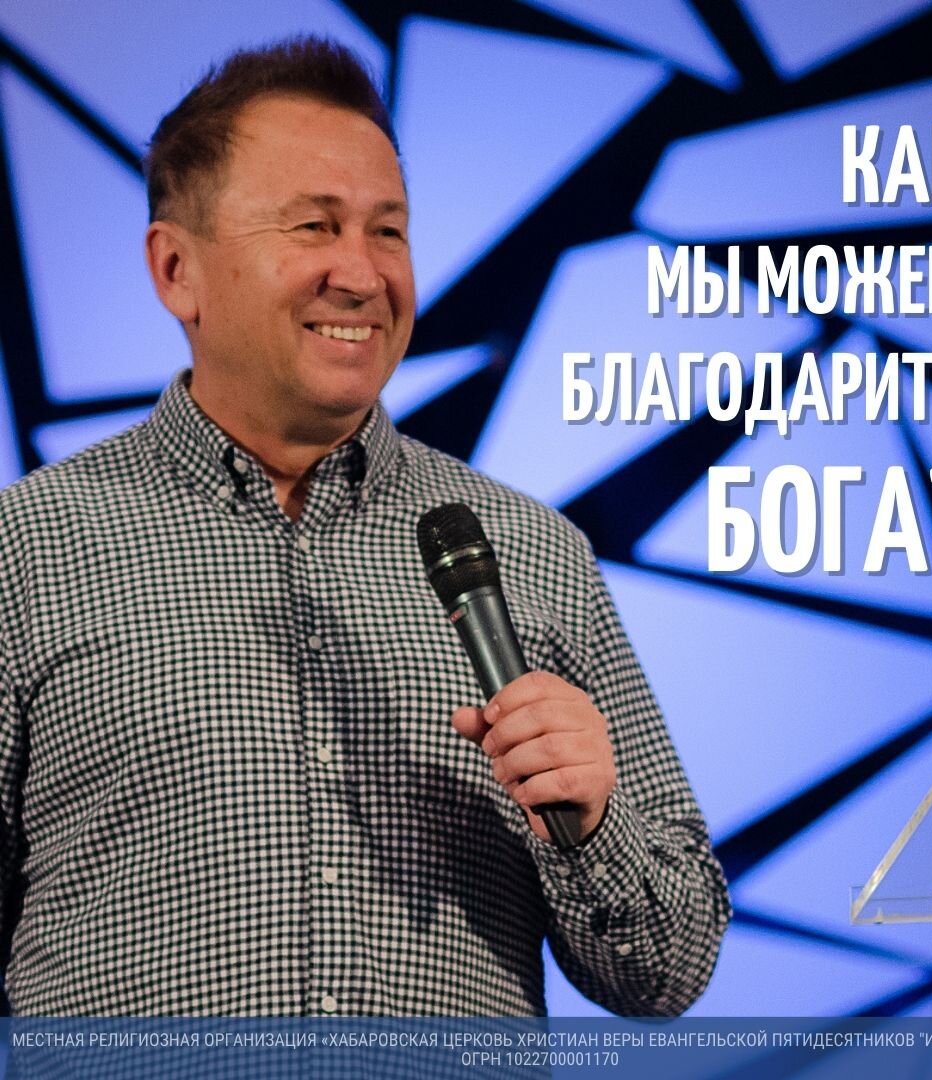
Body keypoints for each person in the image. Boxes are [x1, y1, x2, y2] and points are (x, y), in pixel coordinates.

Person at [0, 38, 729, 1017]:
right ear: (177, 270)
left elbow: (670, 968)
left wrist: (593, 824)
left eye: (389, 232)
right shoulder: (28, 547)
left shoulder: (533, 553)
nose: (362, 273)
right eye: (315, 225)